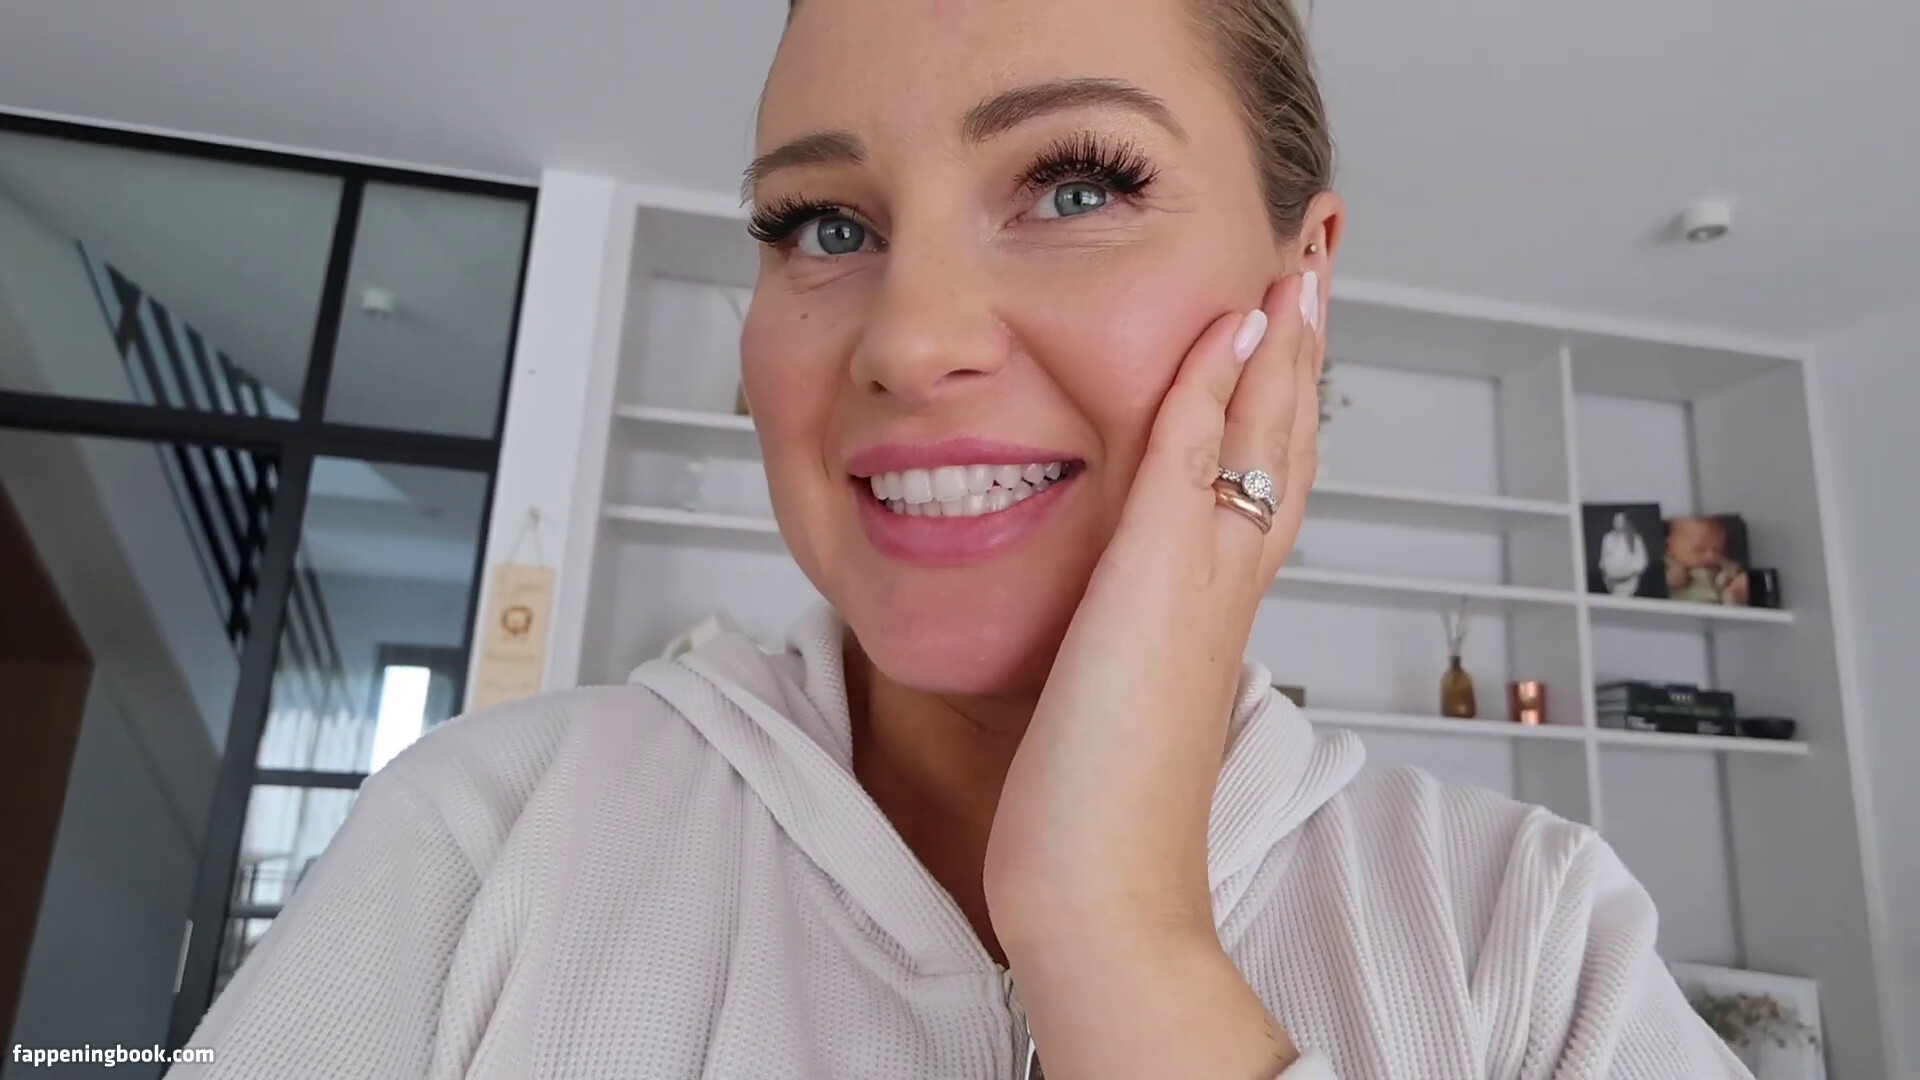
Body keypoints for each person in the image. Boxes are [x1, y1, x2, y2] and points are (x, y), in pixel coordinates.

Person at [169, 0, 1751, 1076]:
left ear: (1302, 284)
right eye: (826, 226)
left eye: (1075, 187)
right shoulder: (479, 841)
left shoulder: (1531, 946)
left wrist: (1119, 942)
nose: (909, 340)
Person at [1599, 511, 1650, 596]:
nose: (1618, 524)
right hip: (1611, 584)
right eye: (1616, 521)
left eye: (1620, 521)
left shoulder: (1635, 538)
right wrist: (1607, 577)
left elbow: (1642, 561)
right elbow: (1603, 559)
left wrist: (1629, 573)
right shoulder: (1607, 538)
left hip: (1629, 583)